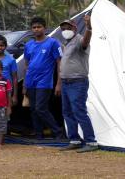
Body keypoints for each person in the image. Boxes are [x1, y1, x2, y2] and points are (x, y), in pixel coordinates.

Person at [58, 15, 98, 153]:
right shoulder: (65, 43)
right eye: (63, 28)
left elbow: (86, 40)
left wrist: (89, 27)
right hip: (65, 82)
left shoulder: (79, 40)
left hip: (77, 82)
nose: (65, 30)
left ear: (74, 28)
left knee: (79, 111)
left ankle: (91, 142)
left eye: (68, 28)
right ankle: (74, 140)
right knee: (67, 112)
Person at [24, 17, 63, 139]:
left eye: (39, 27)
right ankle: (38, 134)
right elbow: (26, 65)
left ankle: (57, 131)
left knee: (41, 108)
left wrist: (58, 83)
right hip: (31, 82)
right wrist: (25, 85)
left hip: (45, 82)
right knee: (33, 110)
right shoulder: (28, 44)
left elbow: (59, 63)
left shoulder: (53, 43)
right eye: (34, 27)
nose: (36, 29)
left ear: (44, 28)